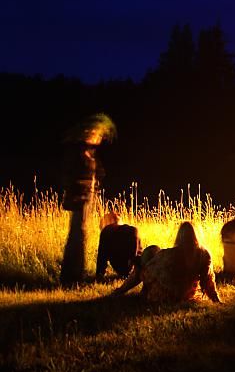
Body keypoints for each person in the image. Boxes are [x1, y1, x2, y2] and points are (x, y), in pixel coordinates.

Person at [59, 113, 116, 286]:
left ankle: (75, 276)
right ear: (88, 134)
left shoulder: (90, 154)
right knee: (77, 237)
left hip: (87, 200)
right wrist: (81, 192)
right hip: (79, 200)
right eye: (96, 134)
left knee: (80, 236)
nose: (99, 138)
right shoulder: (78, 153)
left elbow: (97, 175)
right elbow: (71, 176)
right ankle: (72, 278)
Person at [113, 221, 221, 303]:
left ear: (179, 236)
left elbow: (148, 273)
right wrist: (216, 299)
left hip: (162, 297)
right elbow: (208, 280)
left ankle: (120, 291)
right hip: (188, 296)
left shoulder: (168, 255)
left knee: (146, 260)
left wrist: (139, 264)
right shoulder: (204, 254)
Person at [95, 211, 141, 280]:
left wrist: (99, 274)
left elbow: (102, 257)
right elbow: (136, 252)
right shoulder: (133, 230)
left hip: (124, 268)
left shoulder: (107, 231)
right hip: (137, 267)